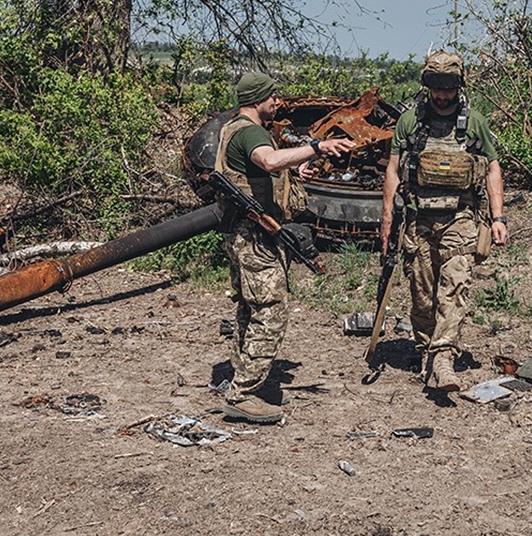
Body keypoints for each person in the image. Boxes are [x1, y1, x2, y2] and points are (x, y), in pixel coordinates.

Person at [215, 71, 355, 423]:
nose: (278, 102)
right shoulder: (250, 131)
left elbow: (263, 171)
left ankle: (241, 374)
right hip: (254, 237)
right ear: (257, 99)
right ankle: (242, 393)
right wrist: (317, 147)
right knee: (271, 309)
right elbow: (268, 161)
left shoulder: (232, 128)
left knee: (249, 309)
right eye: (272, 96)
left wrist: (297, 171)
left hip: (242, 232)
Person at [379, 50, 508, 393]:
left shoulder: (474, 123)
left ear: (458, 85)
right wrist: (387, 220)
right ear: (426, 85)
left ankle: (443, 358)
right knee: (422, 297)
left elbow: (493, 168)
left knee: (454, 286)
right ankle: (426, 350)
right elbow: (392, 171)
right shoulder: (411, 122)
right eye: (435, 86)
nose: (442, 94)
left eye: (448, 86)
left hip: (460, 218)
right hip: (418, 219)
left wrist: (498, 217)